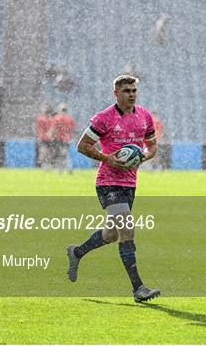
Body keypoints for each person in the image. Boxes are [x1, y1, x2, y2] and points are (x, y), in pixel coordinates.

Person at [65, 74, 160, 303]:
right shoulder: (104, 118)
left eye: (134, 91)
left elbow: (152, 146)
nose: (131, 95)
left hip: (130, 183)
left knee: (111, 234)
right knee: (127, 229)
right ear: (115, 93)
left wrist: (143, 158)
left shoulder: (145, 116)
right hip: (108, 182)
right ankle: (138, 288)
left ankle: (77, 252)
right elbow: (82, 146)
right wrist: (108, 158)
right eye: (126, 91)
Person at [53, 103, 76, 174]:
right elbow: (72, 129)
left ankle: (65, 169)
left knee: (62, 154)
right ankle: (65, 169)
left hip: (59, 139)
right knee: (63, 154)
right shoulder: (70, 119)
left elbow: (54, 129)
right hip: (67, 139)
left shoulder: (57, 118)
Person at [35, 103, 55, 169]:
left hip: (47, 139)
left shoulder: (49, 119)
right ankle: (43, 165)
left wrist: (50, 133)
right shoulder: (41, 118)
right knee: (44, 153)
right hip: (43, 139)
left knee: (47, 153)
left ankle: (47, 166)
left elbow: (52, 128)